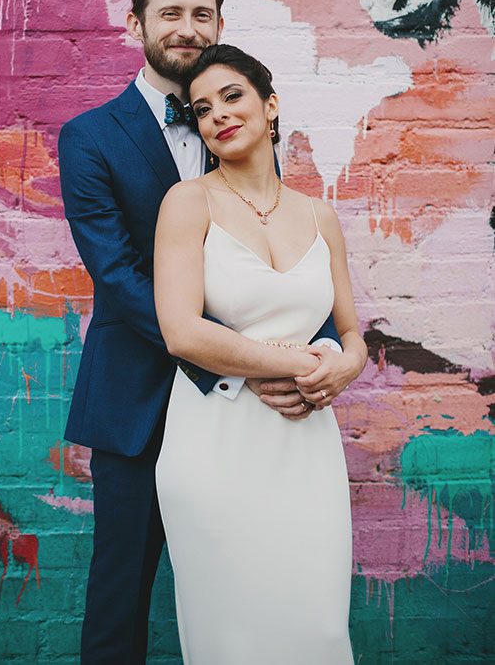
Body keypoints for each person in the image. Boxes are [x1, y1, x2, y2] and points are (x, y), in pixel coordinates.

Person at [58, 0, 359, 665]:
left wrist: (323, 356)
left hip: (265, 414)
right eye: (169, 13)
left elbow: (280, 269)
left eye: (202, 14)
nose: (187, 28)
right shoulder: (90, 137)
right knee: (120, 597)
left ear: (220, 23)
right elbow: (118, 276)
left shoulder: (240, 124)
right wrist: (250, 360)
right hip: (138, 402)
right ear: (136, 24)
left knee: (266, 593)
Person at [154, 44, 368, 664]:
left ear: (270, 105)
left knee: (317, 627)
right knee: (232, 635)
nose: (218, 114)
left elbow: (351, 333)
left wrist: (346, 366)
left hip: (306, 445)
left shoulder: (320, 216)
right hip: (215, 441)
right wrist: (298, 364)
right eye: (202, 109)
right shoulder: (187, 202)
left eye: (232, 96)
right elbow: (181, 332)